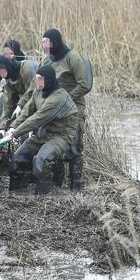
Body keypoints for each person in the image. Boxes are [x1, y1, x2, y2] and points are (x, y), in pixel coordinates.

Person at [0, 66, 78, 195]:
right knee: (18, 157)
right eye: (36, 78)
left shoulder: (58, 98)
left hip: (61, 136)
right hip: (43, 133)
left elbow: (36, 119)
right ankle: (17, 192)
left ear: (49, 80)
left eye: (40, 79)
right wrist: (12, 128)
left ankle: (44, 196)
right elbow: (27, 111)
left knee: (41, 160)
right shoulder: (38, 90)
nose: (36, 82)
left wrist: (14, 134)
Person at [41, 28, 93, 191]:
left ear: (54, 42)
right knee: (54, 147)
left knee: (74, 149)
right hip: (54, 113)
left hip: (73, 111)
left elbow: (84, 85)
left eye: (45, 42)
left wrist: (65, 99)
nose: (43, 46)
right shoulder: (47, 61)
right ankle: (57, 186)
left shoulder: (73, 58)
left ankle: (76, 188)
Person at [0, 54, 37, 132]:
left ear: (8, 67)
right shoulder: (9, 80)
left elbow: (33, 91)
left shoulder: (27, 69)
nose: (2, 76)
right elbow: (8, 105)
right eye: (0, 73)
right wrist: (3, 128)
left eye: (4, 72)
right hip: (27, 100)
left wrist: (20, 106)